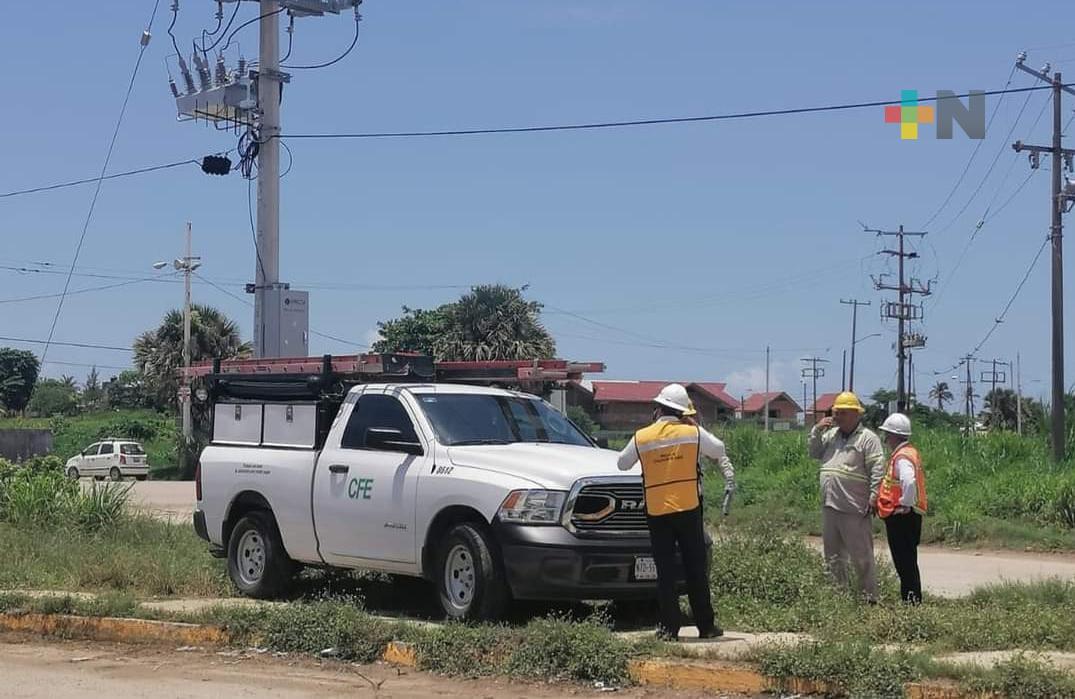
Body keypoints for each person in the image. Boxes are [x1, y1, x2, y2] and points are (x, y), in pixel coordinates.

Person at [616, 383, 735, 641]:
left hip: (657, 511)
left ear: (658, 408)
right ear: (683, 411)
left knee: (665, 572)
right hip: (688, 507)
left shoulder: (643, 436)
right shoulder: (692, 432)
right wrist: (695, 426)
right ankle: (706, 626)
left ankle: (669, 629)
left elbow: (622, 463)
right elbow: (718, 449)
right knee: (695, 568)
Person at [808, 391, 884, 602]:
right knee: (833, 557)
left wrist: (874, 495)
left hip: (854, 506)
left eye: (841, 413)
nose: (837, 417)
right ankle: (838, 598)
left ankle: (869, 598)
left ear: (855, 414)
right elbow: (814, 453)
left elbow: (877, 468)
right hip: (830, 505)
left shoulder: (868, 439)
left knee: (861, 557)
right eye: (836, 412)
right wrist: (816, 430)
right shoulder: (831, 435)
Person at [876, 412, 928, 604]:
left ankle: (911, 603)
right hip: (907, 515)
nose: (885, 438)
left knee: (905, 564)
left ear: (894, 435)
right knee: (908, 562)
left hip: (902, 516)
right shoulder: (909, 452)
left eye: (887, 434)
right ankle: (911, 600)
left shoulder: (902, 457)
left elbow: (909, 481)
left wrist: (905, 505)